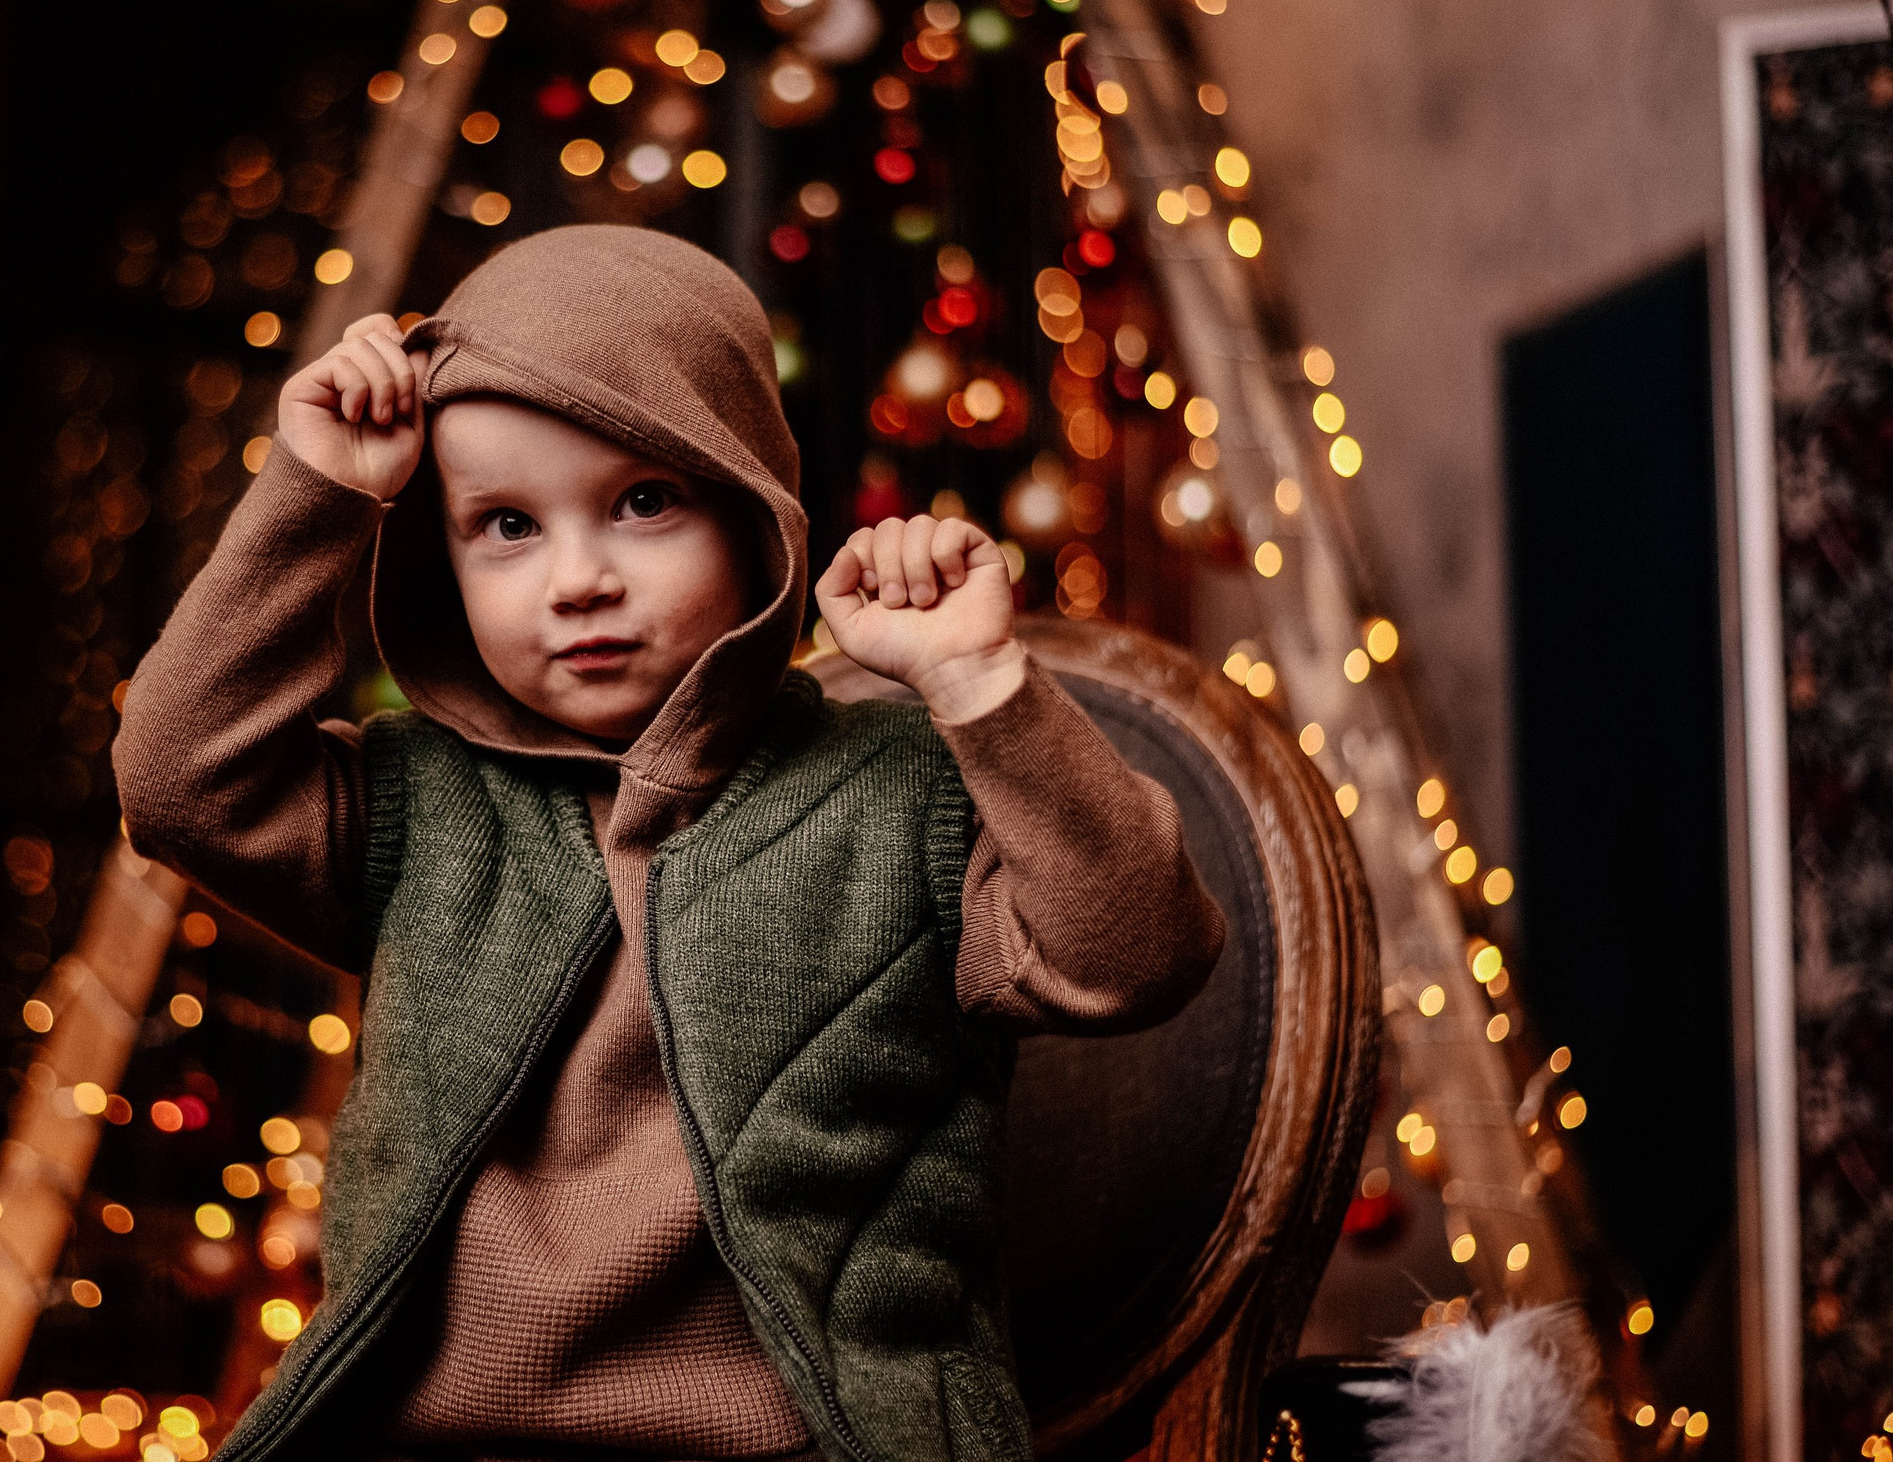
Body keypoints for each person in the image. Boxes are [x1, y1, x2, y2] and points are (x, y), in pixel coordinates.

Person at [113, 225, 1225, 1462]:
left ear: (753, 514)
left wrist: (979, 686)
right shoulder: (418, 802)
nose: (577, 579)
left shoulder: (903, 791)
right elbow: (176, 779)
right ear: (440, 555)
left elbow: (1141, 951)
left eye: (644, 502)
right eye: (506, 525)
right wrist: (320, 492)